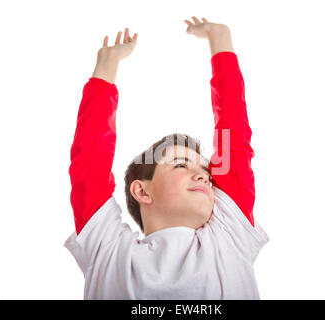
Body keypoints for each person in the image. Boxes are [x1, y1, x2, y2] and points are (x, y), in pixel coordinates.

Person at [64, 16, 269, 300]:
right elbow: (90, 162)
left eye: (207, 172)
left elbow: (232, 141)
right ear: (141, 190)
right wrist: (106, 67)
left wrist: (220, 40)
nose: (203, 176)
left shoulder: (228, 233)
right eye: (181, 165)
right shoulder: (108, 250)